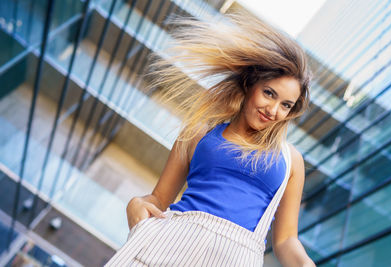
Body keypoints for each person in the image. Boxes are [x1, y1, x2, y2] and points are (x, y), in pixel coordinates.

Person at [105, 11, 315, 267]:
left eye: (286, 105)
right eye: (269, 93)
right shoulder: (198, 133)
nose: (273, 110)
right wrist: (136, 204)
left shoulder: (291, 161)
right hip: (170, 242)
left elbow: (285, 241)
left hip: (236, 258)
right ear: (250, 84)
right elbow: (159, 199)